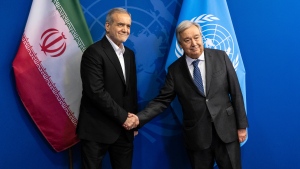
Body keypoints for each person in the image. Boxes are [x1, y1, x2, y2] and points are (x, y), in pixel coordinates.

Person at [124, 20, 248, 169]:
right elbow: (162, 101)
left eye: (196, 37)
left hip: (226, 132)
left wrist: (241, 126)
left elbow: (236, 92)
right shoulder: (175, 70)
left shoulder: (220, 57)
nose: (194, 43)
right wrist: (139, 118)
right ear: (180, 44)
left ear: (201, 37)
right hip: (197, 136)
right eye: (187, 40)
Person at [76, 8, 139, 169]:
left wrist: (134, 123)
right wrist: (124, 117)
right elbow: (96, 92)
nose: (125, 29)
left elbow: (130, 92)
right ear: (107, 26)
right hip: (96, 130)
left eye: (128, 26)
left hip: (124, 132)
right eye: (120, 25)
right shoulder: (93, 53)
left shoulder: (129, 54)